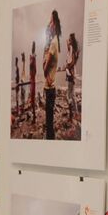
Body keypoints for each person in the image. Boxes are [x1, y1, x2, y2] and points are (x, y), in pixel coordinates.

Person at [42, 10, 62, 140]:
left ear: (54, 25)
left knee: (49, 124)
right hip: (50, 87)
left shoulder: (53, 43)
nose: (48, 24)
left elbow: (44, 69)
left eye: (50, 21)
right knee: (49, 121)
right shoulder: (55, 42)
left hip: (50, 88)